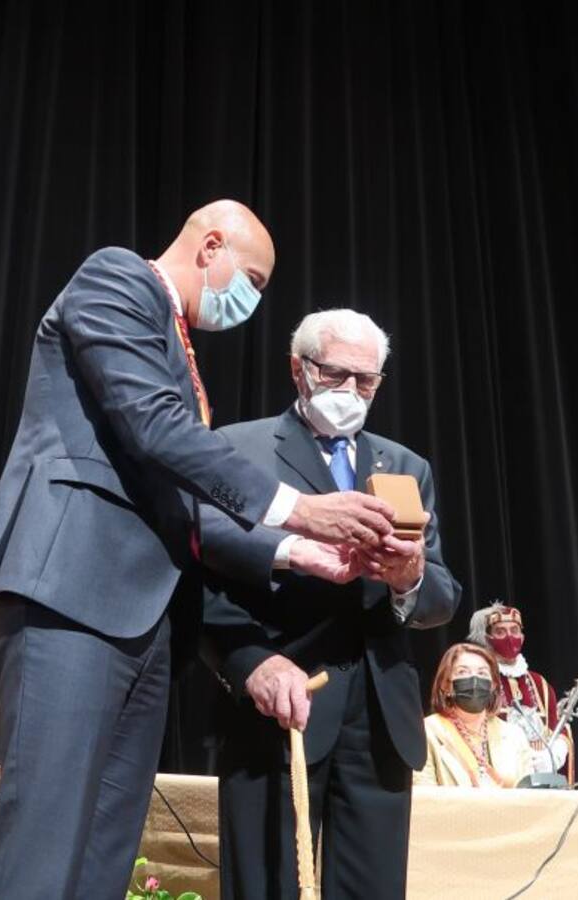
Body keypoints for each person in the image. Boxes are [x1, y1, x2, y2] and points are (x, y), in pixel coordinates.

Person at [0, 202, 400, 899]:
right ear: (211, 246)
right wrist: (300, 507)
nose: (251, 302)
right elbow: (155, 427)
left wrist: (293, 552)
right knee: (44, 846)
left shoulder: (180, 347)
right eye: (252, 279)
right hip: (72, 593)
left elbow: (186, 503)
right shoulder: (116, 279)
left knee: (104, 851)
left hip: (146, 620)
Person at [198, 309, 462, 900]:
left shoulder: (403, 465)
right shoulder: (235, 450)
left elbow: (442, 595)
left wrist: (408, 579)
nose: (351, 392)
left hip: (380, 717)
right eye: (336, 375)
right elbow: (200, 580)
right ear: (299, 369)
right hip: (281, 703)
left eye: (365, 381)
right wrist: (247, 663)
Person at [467, 601, 575, 781]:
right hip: (499, 777)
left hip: (542, 778)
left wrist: (554, 753)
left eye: (515, 630)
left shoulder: (539, 683)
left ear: (523, 636)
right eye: (500, 632)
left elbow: (558, 728)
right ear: (488, 638)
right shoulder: (483, 680)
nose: (510, 637)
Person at [415, 643, 534, 788]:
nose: (474, 679)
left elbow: (530, 796)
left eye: (482, 673)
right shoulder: (427, 731)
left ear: (493, 685)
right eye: (463, 672)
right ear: (446, 686)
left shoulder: (514, 735)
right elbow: (424, 797)